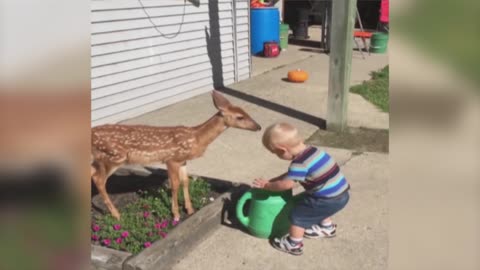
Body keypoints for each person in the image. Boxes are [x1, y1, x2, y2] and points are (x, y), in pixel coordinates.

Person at [253, 122, 350, 255]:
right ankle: (327, 228)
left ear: (282, 150)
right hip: (341, 194)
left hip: (326, 199)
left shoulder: (299, 163)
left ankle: (293, 244)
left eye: (275, 153)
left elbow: (287, 184)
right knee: (315, 206)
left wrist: (267, 186)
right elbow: (290, 176)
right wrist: (275, 180)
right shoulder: (313, 151)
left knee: (298, 215)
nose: (277, 156)